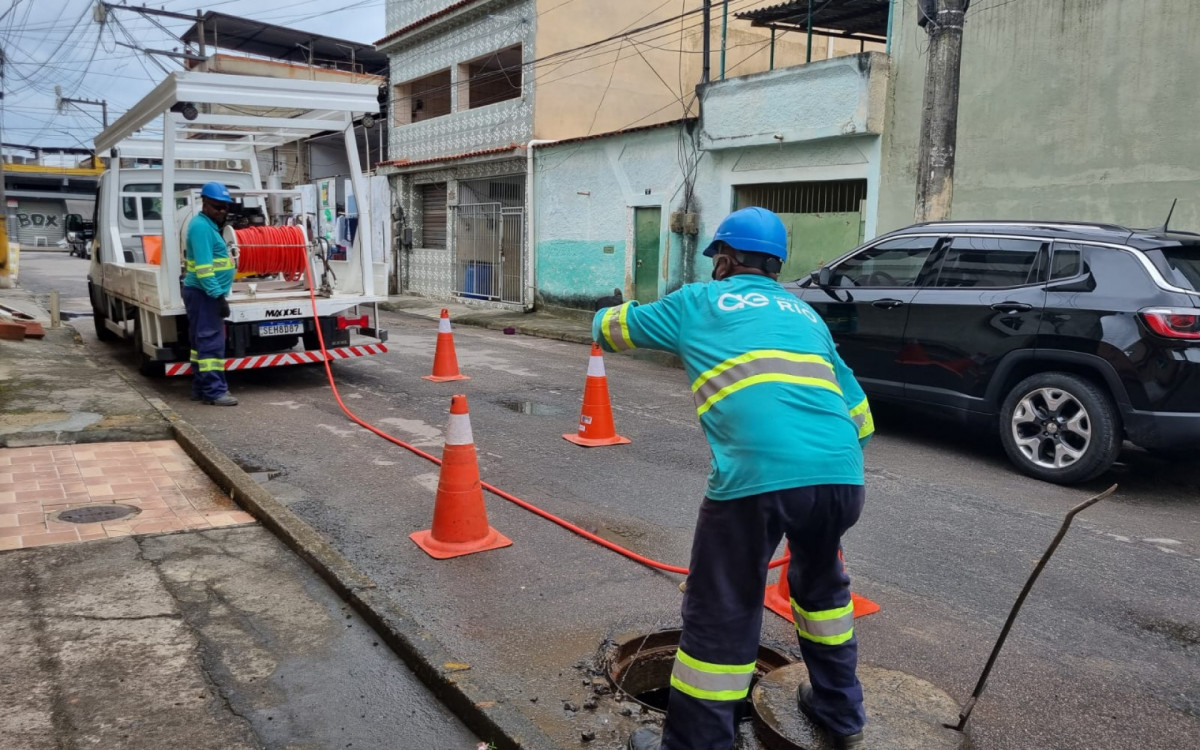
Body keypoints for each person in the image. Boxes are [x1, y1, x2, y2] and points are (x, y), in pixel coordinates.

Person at [595, 207, 873, 750]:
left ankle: (696, 744)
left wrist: (609, 310)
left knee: (721, 607)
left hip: (756, 480)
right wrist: (819, 471)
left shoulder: (697, 301)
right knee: (822, 591)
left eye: (716, 256)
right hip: (841, 475)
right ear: (775, 265)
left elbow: (609, 331)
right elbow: (860, 415)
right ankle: (841, 710)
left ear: (724, 258)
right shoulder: (805, 314)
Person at [183, 182, 238, 406]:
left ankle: (201, 388)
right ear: (205, 204)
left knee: (200, 344)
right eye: (217, 207)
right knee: (210, 342)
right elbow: (204, 269)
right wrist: (218, 296)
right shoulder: (202, 228)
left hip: (202, 294)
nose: (222, 211)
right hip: (205, 295)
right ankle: (214, 392)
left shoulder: (208, 225)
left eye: (225, 207)